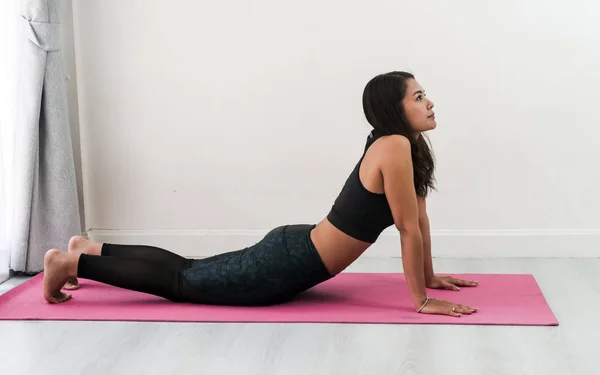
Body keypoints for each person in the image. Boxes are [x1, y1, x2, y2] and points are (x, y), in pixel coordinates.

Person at [43, 71, 478, 317]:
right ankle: (70, 262)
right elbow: (405, 228)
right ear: (393, 109)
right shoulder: (394, 146)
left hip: (294, 249)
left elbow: (418, 221)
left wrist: (429, 276)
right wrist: (420, 300)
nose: (430, 102)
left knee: (188, 268)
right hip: (287, 265)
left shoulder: (406, 147)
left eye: (426, 95)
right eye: (419, 97)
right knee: (181, 281)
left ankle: (88, 247)